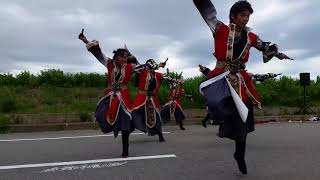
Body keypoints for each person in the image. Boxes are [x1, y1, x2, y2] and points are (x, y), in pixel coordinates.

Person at [193, 0, 293, 174]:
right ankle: (218, 120)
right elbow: (206, 11)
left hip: (240, 81)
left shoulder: (251, 37)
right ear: (233, 16)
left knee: (243, 120)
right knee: (215, 103)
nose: (246, 19)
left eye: (248, 16)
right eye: (242, 15)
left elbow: (266, 47)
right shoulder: (219, 29)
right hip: (221, 76)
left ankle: (239, 154)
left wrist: (278, 54)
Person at [78, 29, 137, 158]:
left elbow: (142, 66)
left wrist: (134, 56)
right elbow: (97, 52)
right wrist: (85, 40)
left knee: (126, 120)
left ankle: (125, 149)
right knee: (102, 114)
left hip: (124, 96)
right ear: (117, 57)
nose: (124, 59)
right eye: (122, 56)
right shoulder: (109, 63)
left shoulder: (129, 67)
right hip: (110, 95)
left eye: (126, 57)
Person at [132, 59, 173, 142]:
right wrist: (158, 65)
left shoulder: (157, 75)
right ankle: (128, 130)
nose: (154, 65)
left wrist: (175, 80)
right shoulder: (142, 71)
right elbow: (135, 68)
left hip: (152, 99)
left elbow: (167, 77)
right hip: (141, 98)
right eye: (152, 63)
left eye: (154, 63)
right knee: (135, 113)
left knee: (157, 116)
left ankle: (160, 134)